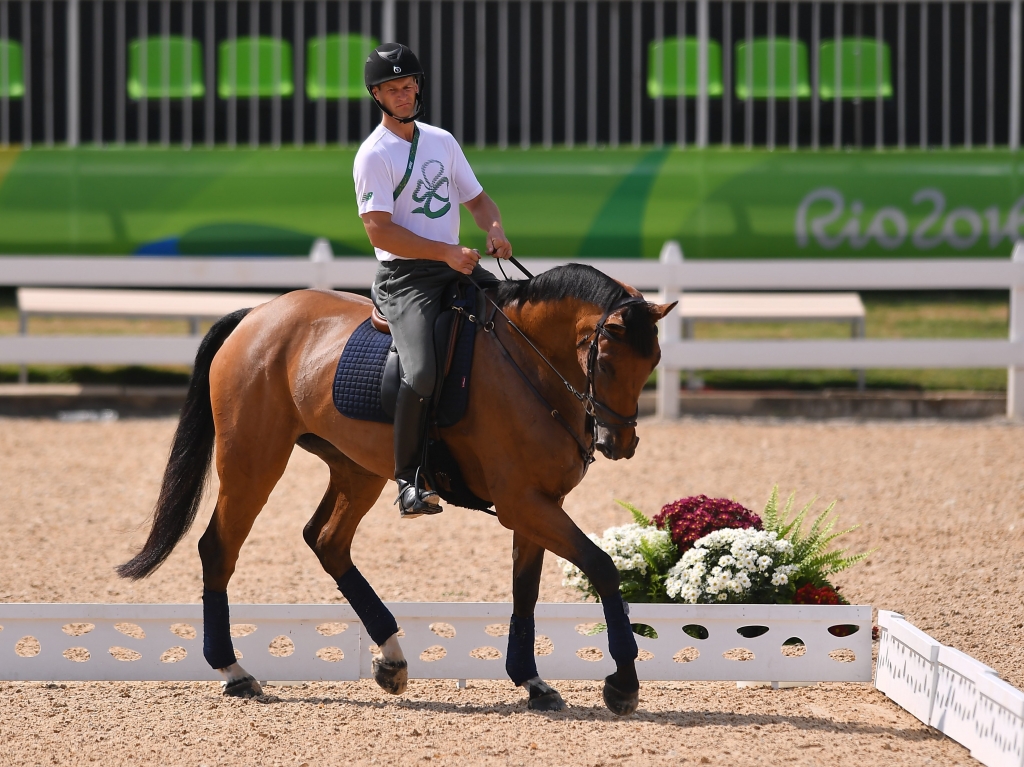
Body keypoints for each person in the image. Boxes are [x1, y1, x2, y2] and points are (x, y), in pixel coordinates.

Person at [354, 42, 513, 519]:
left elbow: (479, 201)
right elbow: (379, 229)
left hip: (455, 265)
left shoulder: (441, 141)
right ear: (376, 95)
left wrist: (496, 229)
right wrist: (445, 251)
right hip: (406, 278)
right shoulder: (373, 155)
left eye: (409, 86)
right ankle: (407, 480)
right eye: (393, 89)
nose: (404, 95)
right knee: (420, 370)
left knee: (517, 327)